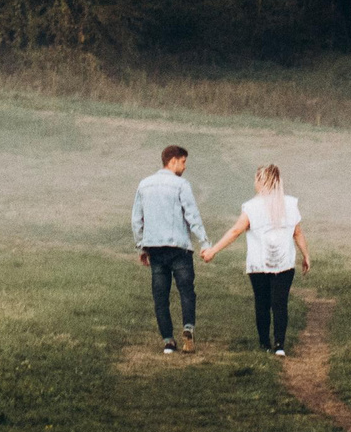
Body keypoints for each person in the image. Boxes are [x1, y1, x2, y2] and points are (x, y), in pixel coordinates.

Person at [201, 164, 308, 356]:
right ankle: (280, 345)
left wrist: (213, 251)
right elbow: (297, 233)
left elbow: (235, 231)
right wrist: (306, 256)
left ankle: (264, 343)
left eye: (255, 179)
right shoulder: (290, 204)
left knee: (262, 302)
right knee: (280, 303)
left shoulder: (252, 207)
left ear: (260, 180)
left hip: (258, 264)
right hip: (285, 264)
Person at [130, 144, 208, 354]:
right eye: (183, 162)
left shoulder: (144, 185)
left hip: (155, 249)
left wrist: (141, 247)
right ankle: (188, 328)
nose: (184, 167)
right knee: (186, 291)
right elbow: (192, 215)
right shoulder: (181, 185)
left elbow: (137, 219)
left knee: (160, 295)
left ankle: (168, 341)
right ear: (172, 160)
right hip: (179, 247)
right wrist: (204, 242)